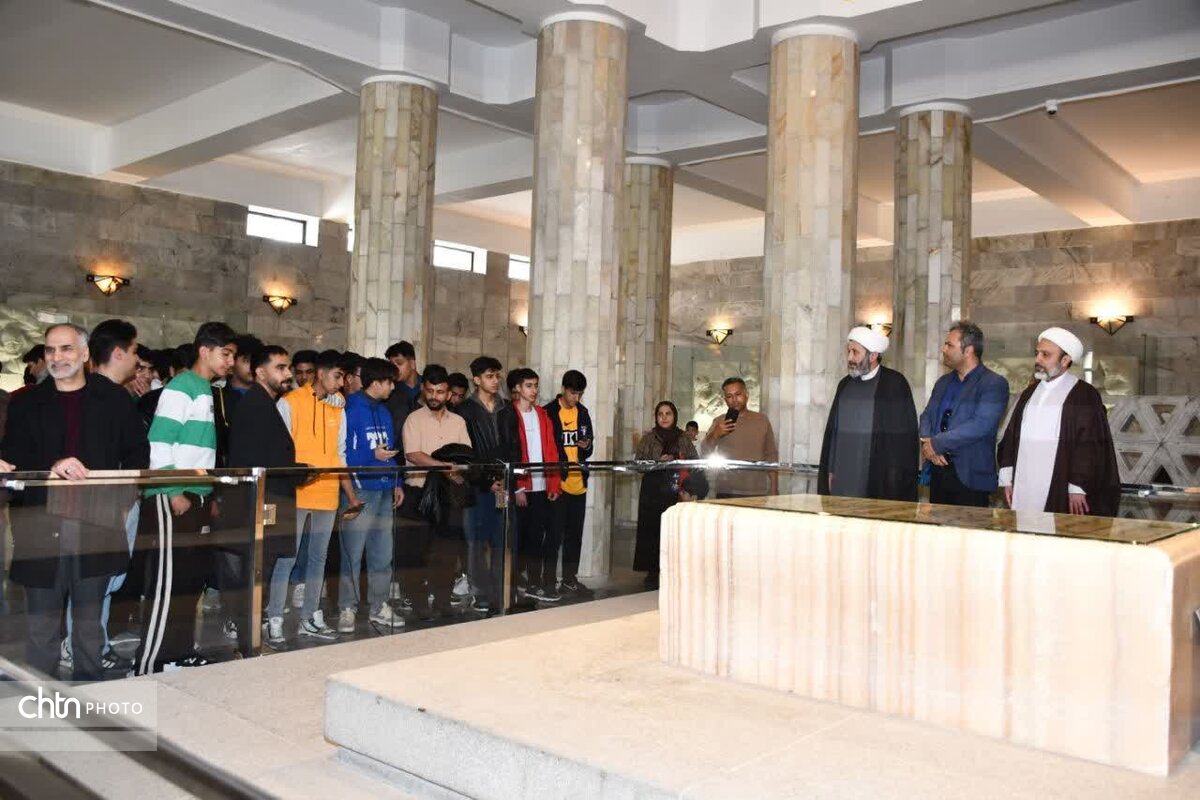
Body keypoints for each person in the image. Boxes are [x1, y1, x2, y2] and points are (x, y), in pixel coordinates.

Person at [0, 323, 148, 680]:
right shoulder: (26, 403)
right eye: (50, 350)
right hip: (40, 524)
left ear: (84, 354)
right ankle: (41, 698)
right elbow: (13, 459)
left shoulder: (113, 399)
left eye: (66, 348)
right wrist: (50, 465)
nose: (57, 357)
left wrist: (122, 501)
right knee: (41, 625)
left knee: (89, 623)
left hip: (97, 524)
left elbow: (137, 454)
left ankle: (89, 692)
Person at [137, 321, 235, 674]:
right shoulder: (181, 387)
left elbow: (200, 451)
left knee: (189, 581)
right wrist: (174, 489)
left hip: (196, 493)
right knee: (169, 583)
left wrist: (206, 493)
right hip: (172, 494)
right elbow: (159, 442)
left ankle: (178, 653)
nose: (230, 362)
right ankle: (149, 663)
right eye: (226, 354)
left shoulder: (206, 389)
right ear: (204, 351)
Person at [227, 345, 307, 649]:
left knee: (264, 567)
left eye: (288, 367)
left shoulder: (263, 403)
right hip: (263, 499)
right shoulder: (255, 405)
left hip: (270, 495)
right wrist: (300, 470)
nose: (288, 374)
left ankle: (251, 635)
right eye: (280, 368)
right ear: (260, 372)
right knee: (258, 569)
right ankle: (248, 638)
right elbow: (258, 459)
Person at [998, 327, 1120, 516]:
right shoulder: (1029, 393)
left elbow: (1089, 445)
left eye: (1045, 355)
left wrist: (1078, 486)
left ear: (1065, 360)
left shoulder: (1084, 395)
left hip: (1061, 486)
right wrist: (1007, 477)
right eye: (1037, 353)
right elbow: (1012, 435)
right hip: (1024, 483)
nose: (1038, 360)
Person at [278, 350, 358, 639]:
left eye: (343, 377)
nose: (341, 383)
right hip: (296, 492)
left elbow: (340, 455)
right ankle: (274, 617)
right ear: (321, 373)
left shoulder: (338, 407)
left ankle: (309, 616)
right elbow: (280, 450)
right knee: (286, 558)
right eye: (337, 376)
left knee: (318, 558)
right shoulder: (289, 402)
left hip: (327, 492)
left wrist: (350, 495)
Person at [340, 357, 404, 633]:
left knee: (382, 552)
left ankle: (379, 605)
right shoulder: (352, 408)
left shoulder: (385, 412)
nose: (393, 387)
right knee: (352, 552)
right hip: (360, 489)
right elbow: (343, 453)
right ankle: (347, 607)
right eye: (389, 382)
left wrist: (397, 481)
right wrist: (371, 455)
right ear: (376, 382)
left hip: (384, 487)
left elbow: (390, 449)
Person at [403, 364, 472, 617]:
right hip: (418, 494)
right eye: (430, 391)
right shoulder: (414, 419)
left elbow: (466, 456)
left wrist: (456, 470)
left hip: (449, 497)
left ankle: (442, 601)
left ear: (448, 394)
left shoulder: (458, 421)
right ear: (423, 389)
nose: (434, 396)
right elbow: (413, 454)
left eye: (440, 392)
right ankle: (418, 603)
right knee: (416, 552)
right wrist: (445, 467)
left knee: (447, 552)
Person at [818, 327, 919, 502]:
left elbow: (903, 443)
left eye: (855, 352)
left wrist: (894, 479)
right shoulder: (844, 385)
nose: (849, 358)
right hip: (844, 476)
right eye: (849, 351)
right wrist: (830, 469)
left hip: (879, 479)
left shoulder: (894, 384)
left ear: (873, 356)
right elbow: (833, 434)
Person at [918, 322, 1010, 507]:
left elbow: (980, 426)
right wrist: (927, 443)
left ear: (968, 350)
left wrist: (936, 444)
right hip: (938, 471)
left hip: (970, 477)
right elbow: (927, 415)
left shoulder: (993, 383)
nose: (943, 349)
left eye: (949, 345)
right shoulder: (943, 382)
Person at [497, 368, 561, 602]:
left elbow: (551, 450)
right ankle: (513, 583)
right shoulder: (508, 415)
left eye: (535, 385)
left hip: (542, 485)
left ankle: (534, 583)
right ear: (516, 388)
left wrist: (553, 483)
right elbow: (509, 454)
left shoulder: (542, 414)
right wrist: (518, 487)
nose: (534, 390)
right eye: (528, 385)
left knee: (537, 538)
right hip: (521, 487)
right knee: (518, 539)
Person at [455, 356, 508, 611]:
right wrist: (487, 480)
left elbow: (512, 445)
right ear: (476, 380)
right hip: (476, 486)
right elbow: (465, 453)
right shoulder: (464, 410)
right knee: (476, 540)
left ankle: (499, 589)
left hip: (503, 483)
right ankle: (480, 591)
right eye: (489, 376)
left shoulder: (506, 408)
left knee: (501, 539)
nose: (495, 381)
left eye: (497, 376)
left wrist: (504, 477)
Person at [634, 401, 700, 590]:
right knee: (651, 529)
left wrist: (677, 461)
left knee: (673, 529)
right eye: (660, 414)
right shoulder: (648, 438)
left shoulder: (683, 438)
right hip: (652, 489)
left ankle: (673, 568)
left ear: (674, 416)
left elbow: (695, 462)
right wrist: (657, 462)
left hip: (675, 488)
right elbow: (638, 464)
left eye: (668, 413)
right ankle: (652, 571)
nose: (664, 417)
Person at [545, 370, 593, 596]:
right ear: (564, 389)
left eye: (580, 394)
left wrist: (586, 445)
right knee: (553, 536)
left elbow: (589, 447)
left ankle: (569, 579)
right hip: (558, 483)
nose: (576, 398)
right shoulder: (548, 412)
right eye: (573, 393)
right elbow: (546, 448)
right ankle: (547, 581)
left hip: (578, 482)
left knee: (575, 536)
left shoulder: (583, 412)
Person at [701, 377, 778, 498]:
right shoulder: (719, 421)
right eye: (729, 396)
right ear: (725, 400)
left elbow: (771, 454)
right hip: (726, 490)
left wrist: (774, 488)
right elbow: (705, 450)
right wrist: (715, 434)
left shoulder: (762, 420)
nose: (734, 400)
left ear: (746, 395)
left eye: (738, 394)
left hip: (756, 490)